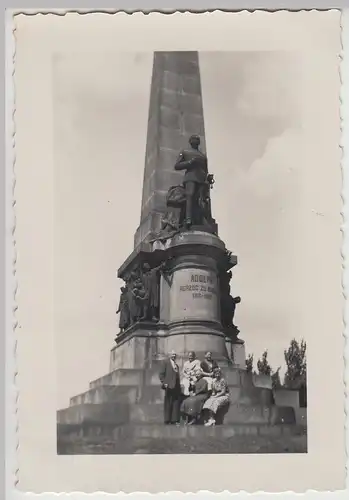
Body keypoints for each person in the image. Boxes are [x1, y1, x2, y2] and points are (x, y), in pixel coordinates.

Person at [174, 135, 209, 227]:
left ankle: (200, 220)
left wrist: (208, 178)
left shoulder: (203, 156)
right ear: (190, 142)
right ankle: (188, 218)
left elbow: (205, 170)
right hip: (190, 177)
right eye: (193, 139)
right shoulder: (185, 152)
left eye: (197, 139)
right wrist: (189, 163)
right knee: (190, 195)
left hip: (201, 179)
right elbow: (177, 166)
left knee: (200, 200)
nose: (195, 140)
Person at [159, 350, 181, 425]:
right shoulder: (165, 362)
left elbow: (177, 375)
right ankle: (167, 419)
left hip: (176, 386)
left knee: (175, 402)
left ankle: (174, 419)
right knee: (168, 402)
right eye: (172, 354)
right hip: (169, 386)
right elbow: (161, 374)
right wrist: (164, 382)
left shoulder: (176, 365)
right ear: (169, 355)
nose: (174, 356)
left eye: (175, 355)